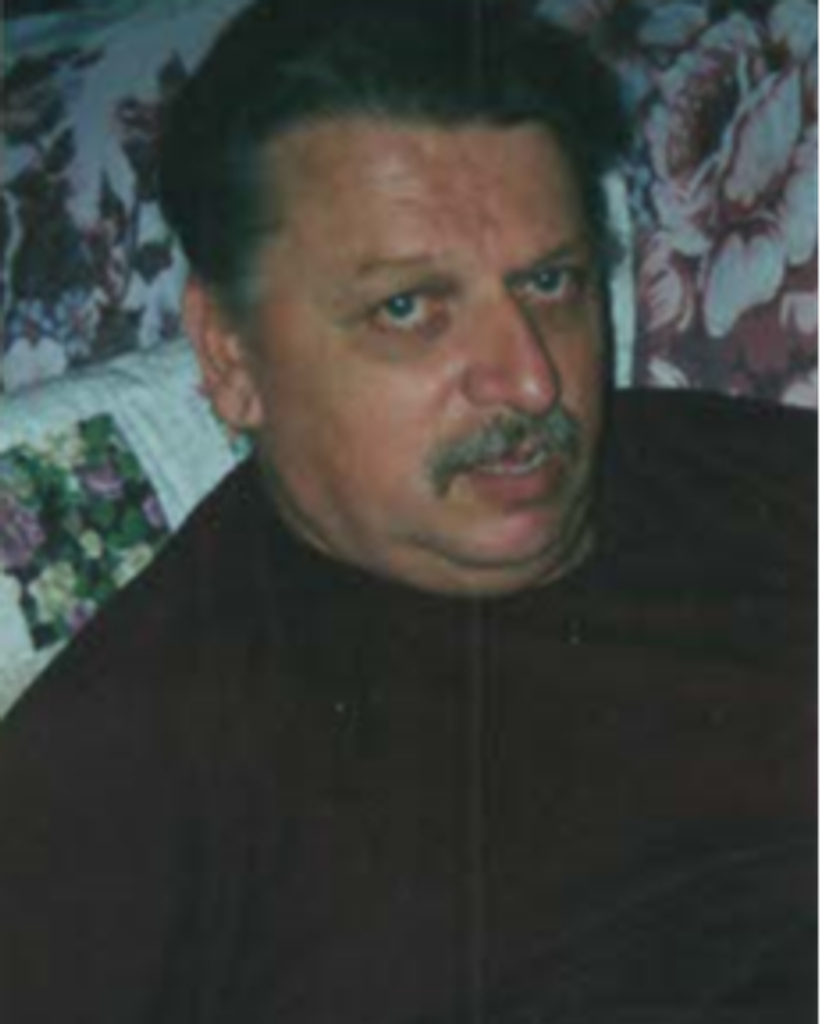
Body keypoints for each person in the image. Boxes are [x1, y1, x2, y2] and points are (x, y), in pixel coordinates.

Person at [0, 1, 817, 1021]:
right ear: (229, 356)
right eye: (407, 308)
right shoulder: (120, 768)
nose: (528, 380)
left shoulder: (742, 478)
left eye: (550, 282)